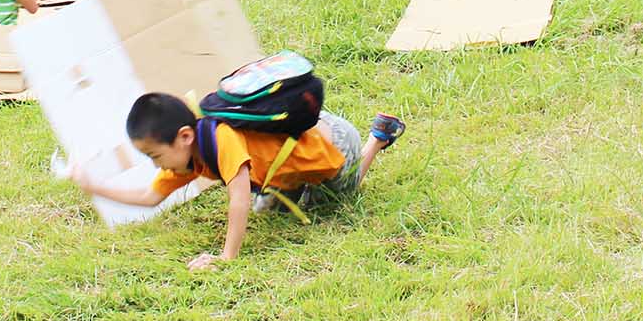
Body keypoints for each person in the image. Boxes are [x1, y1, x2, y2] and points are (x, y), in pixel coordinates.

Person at [72, 92, 406, 269]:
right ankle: (303, 182)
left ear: (184, 136)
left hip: (333, 142)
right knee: (269, 211)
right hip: (287, 164)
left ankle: (378, 137)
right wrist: (93, 186)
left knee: (338, 203)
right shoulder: (190, 155)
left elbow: (239, 197)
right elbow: (149, 197)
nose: (157, 166)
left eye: (156, 157)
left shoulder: (222, 138)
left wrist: (226, 256)